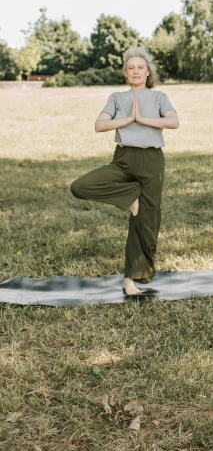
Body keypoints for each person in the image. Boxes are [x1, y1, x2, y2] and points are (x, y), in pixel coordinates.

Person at [71, 47, 179, 297]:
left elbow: (173, 122)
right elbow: (100, 125)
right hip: (123, 159)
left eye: (140, 67)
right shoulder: (117, 97)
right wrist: (128, 119)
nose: (136, 71)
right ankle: (130, 196)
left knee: (147, 224)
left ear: (148, 71)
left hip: (152, 161)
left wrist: (143, 119)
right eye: (131, 68)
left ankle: (130, 278)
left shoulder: (160, 97)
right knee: (80, 186)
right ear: (125, 73)